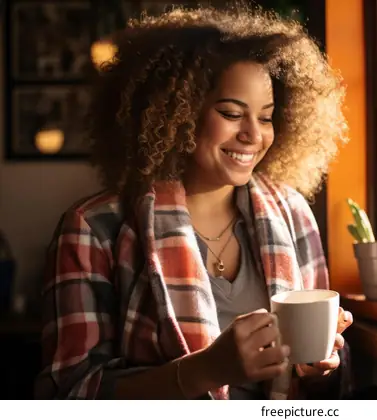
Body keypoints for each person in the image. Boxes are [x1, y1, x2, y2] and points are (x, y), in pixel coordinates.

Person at [34, 4, 353, 400]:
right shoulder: (92, 228)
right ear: (175, 114)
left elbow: (323, 385)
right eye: (231, 113)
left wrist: (320, 366)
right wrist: (205, 370)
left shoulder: (292, 213)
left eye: (267, 117)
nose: (254, 135)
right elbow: (69, 393)